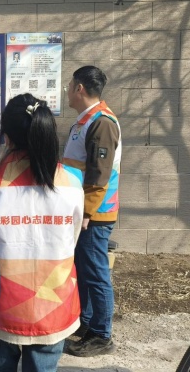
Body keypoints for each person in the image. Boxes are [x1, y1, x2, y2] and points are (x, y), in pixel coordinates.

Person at [0, 93, 85, 372]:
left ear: (6, 138)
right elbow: (72, 236)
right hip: (55, 300)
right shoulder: (72, 182)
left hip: (0, 300)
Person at [62, 66, 121, 357]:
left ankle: (101, 335)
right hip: (82, 210)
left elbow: (100, 174)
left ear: (80, 88)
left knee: (96, 273)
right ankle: (85, 323)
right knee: (84, 270)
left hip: (94, 215)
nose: (67, 90)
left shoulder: (102, 123)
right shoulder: (84, 121)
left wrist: (85, 213)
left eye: (70, 84)